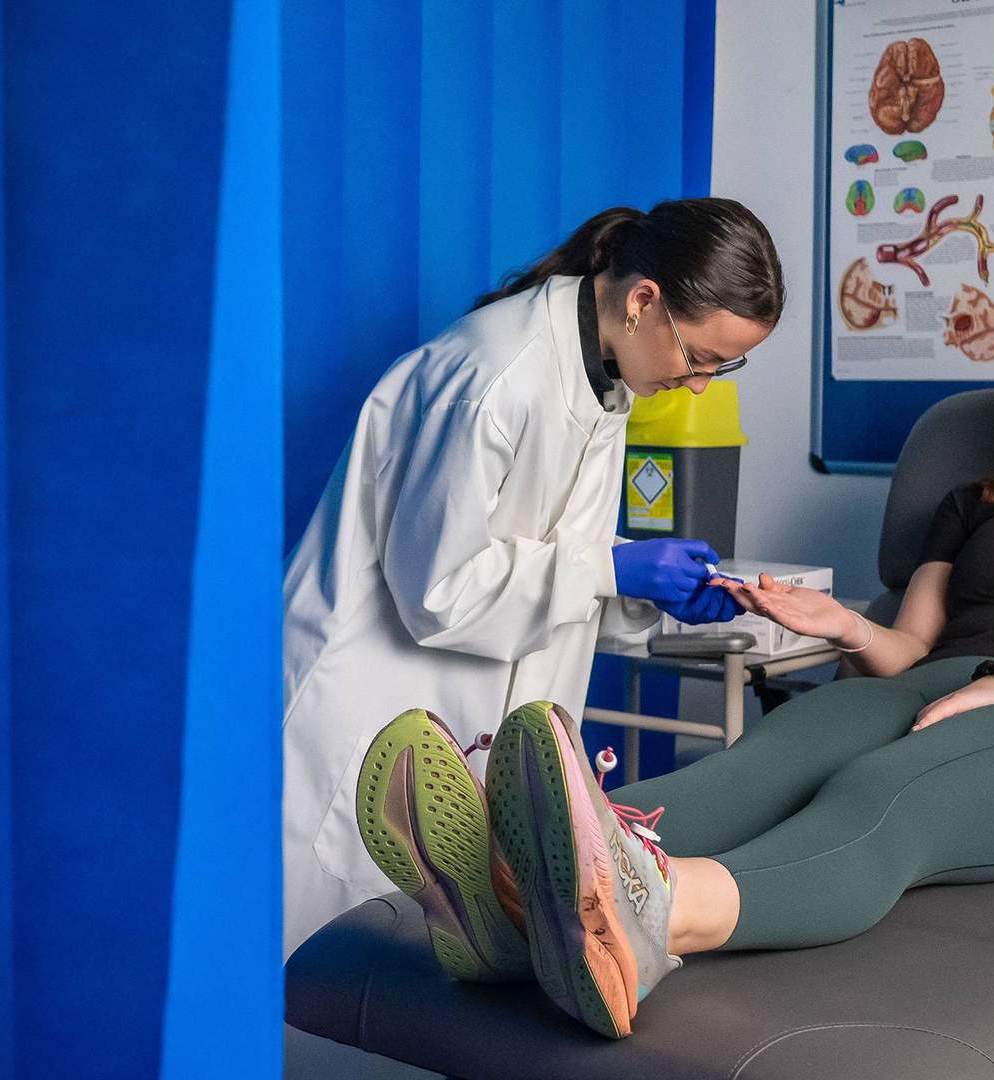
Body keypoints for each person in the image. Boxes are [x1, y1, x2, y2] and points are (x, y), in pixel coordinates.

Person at [353, 286, 994, 1037]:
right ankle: (515, 886)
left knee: (895, 789)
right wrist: (840, 627)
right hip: (940, 685)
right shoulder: (980, 502)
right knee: (773, 753)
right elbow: (909, 649)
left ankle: (651, 917)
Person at [283, 198, 786, 955]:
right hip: (361, 713)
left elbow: (542, 547)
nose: (701, 385)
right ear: (644, 300)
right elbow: (441, 592)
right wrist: (608, 565)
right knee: (310, 984)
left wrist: (634, 589)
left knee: (405, 994)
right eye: (701, 358)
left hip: (457, 732)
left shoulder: (606, 376)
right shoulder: (493, 378)